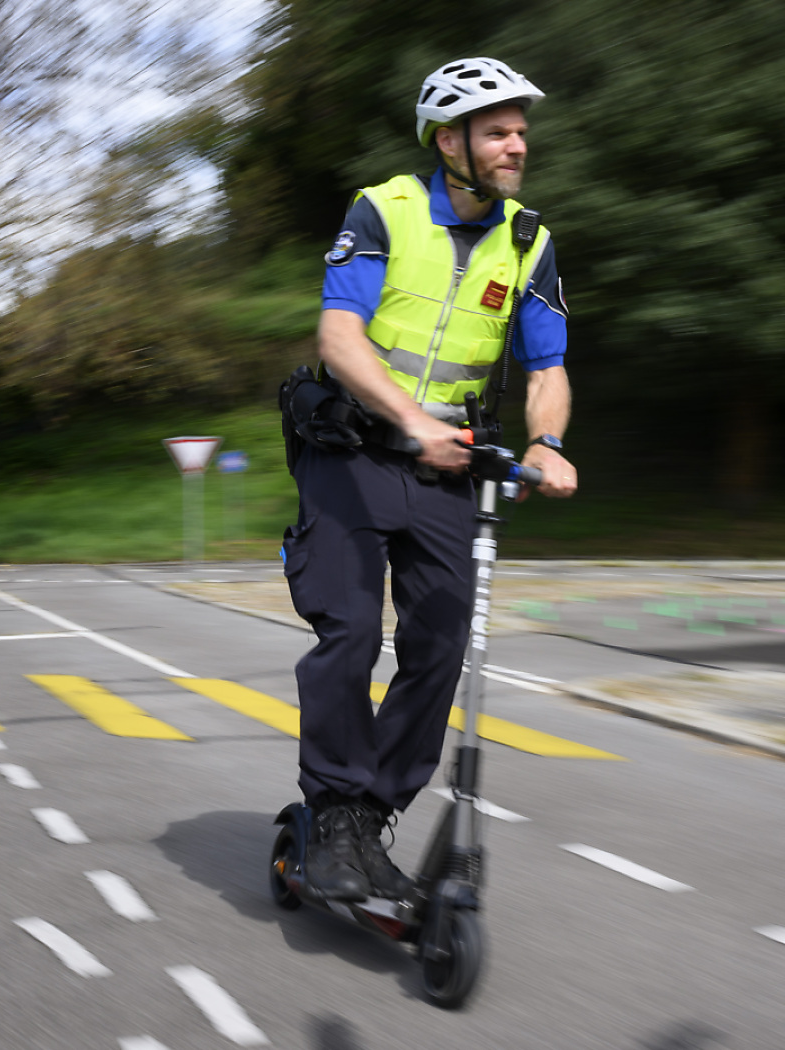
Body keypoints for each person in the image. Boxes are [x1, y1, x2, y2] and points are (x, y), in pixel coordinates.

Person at [283, 57, 578, 901]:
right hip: (352, 451)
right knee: (349, 633)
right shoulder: (385, 210)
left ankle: (368, 818)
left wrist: (549, 440)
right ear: (450, 141)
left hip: (448, 465)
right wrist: (411, 423)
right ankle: (332, 811)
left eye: (521, 130)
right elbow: (341, 339)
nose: (517, 144)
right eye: (498, 131)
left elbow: (548, 365)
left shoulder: (530, 241)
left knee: (442, 644)